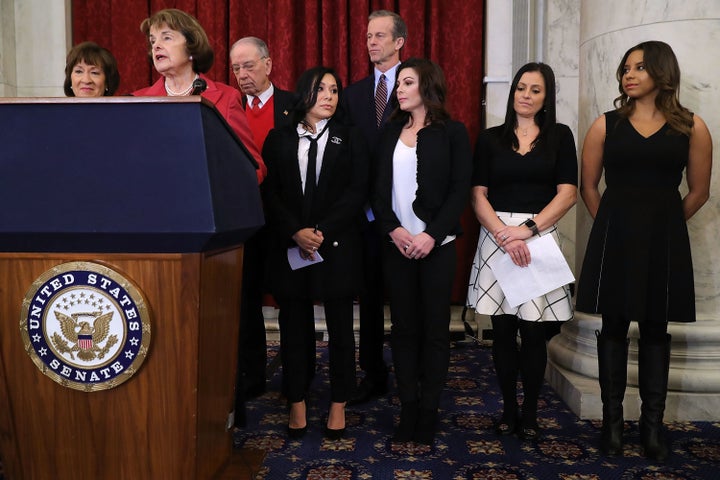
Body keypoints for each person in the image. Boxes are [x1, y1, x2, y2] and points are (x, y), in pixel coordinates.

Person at [576, 41, 712, 462]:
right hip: (614, 237)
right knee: (614, 324)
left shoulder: (693, 126)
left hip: (664, 241)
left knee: (655, 329)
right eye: (625, 68)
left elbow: (699, 192)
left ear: (661, 72)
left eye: (639, 68)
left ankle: (653, 429)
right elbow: (588, 187)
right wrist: (612, 225)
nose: (628, 75)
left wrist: (665, 223)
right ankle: (612, 426)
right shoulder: (605, 125)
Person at [466, 62, 577, 442]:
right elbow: (477, 193)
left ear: (547, 98)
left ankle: (529, 413)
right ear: (512, 91)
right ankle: (508, 410)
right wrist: (502, 232)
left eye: (536, 90)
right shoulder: (490, 139)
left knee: (534, 332)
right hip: (496, 238)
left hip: (538, 237)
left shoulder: (560, 136)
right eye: (521, 88)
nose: (526, 96)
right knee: (502, 331)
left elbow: (568, 193)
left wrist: (526, 231)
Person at [262, 66, 369, 440]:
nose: (329, 96)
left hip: (336, 244)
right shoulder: (278, 139)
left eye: (335, 90)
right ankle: (296, 400)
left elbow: (357, 192)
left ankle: (339, 401)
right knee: (294, 327)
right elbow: (270, 193)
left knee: (341, 329)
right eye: (321, 89)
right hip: (291, 245)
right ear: (304, 95)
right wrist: (296, 231)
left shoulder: (350, 138)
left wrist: (321, 232)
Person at [372, 58, 472, 444]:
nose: (399, 88)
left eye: (408, 82)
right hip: (397, 245)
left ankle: (429, 410)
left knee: (434, 331)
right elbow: (377, 191)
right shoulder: (389, 132)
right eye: (399, 82)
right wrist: (394, 230)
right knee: (402, 330)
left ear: (427, 87)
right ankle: (408, 407)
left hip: (437, 246)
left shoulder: (453, 132)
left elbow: (459, 189)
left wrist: (431, 234)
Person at [228, 36, 299, 429]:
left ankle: (294, 378)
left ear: (269, 65)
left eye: (249, 66)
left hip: (285, 221)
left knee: (290, 301)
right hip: (244, 221)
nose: (242, 75)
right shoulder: (226, 106)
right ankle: (252, 377)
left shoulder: (293, 105)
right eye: (236, 68)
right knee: (246, 302)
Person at [342, 9, 408, 405]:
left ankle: (410, 373)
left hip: (409, 217)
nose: (371, 41)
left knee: (405, 300)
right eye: (368, 35)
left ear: (399, 42)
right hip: (366, 218)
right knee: (367, 300)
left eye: (380, 35)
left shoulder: (416, 85)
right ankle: (373, 372)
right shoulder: (352, 94)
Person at [133, 8, 265, 183]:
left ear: (191, 47)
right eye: (152, 40)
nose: (156, 45)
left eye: (166, 37)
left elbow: (254, 168)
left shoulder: (226, 99)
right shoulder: (137, 101)